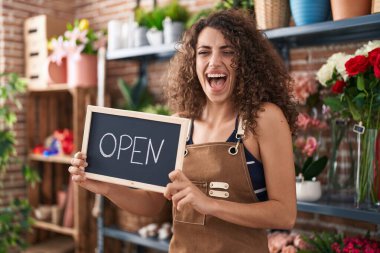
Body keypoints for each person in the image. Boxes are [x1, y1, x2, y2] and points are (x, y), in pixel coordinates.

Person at [69, 9, 297, 253]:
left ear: (245, 61)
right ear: (193, 62)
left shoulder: (264, 118)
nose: (214, 61)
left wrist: (210, 204)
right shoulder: (179, 124)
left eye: (228, 51)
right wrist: (105, 186)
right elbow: (151, 203)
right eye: (204, 52)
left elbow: (284, 214)